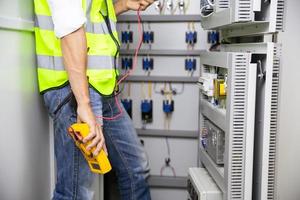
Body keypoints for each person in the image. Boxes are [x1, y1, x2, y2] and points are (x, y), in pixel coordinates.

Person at [33, 0, 154, 199]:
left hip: (103, 88)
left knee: (136, 169)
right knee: (76, 191)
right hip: (74, 91)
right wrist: (83, 103)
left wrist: (123, 4)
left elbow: (90, 17)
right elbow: (70, 26)